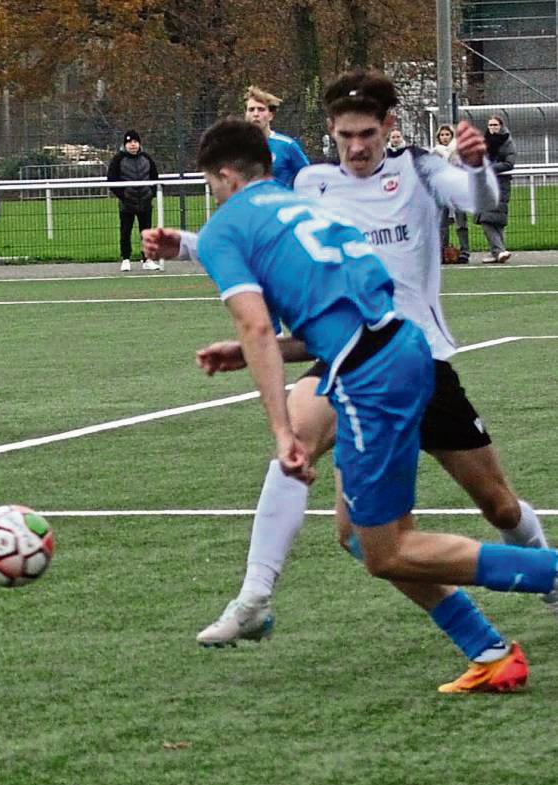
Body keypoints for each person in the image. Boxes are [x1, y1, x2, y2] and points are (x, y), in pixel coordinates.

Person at [143, 74, 554, 693]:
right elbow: (281, 248)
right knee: (351, 528)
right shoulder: (312, 185)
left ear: (389, 128)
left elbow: (476, 199)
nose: (356, 146)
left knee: (483, 510)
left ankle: (543, 579)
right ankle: (258, 594)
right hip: (356, 357)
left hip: (408, 361)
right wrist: (191, 248)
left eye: (367, 134)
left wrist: (474, 167)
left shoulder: (416, 169)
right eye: (344, 135)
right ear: (329, 134)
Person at [107, 129, 161, 272]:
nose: (133, 145)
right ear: (125, 144)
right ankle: (126, 259)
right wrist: (124, 196)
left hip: (145, 202)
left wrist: (150, 194)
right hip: (127, 204)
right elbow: (111, 180)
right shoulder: (118, 159)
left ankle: (147, 259)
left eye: (135, 142)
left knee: (147, 232)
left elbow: (154, 177)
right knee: (125, 231)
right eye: (130, 142)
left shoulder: (146, 158)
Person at [244, 85, 309, 188]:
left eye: (261, 109)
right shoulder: (236, 147)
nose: (256, 114)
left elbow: (308, 178)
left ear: (271, 115)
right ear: (246, 114)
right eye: (251, 109)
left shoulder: (287, 146)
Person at [476, 116, 516, 263]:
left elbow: (509, 163)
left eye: (495, 124)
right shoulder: (484, 141)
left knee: (488, 219)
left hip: (500, 184)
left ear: (501, 125)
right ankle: (498, 252)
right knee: (493, 219)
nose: (492, 127)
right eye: (490, 125)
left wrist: (490, 168)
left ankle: (498, 251)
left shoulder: (507, 142)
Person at [432, 124, 470, 264]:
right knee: (442, 224)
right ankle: (442, 252)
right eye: (442, 135)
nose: (444, 137)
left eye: (447, 134)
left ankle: (465, 251)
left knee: (461, 223)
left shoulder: (459, 151)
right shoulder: (435, 152)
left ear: (452, 136)